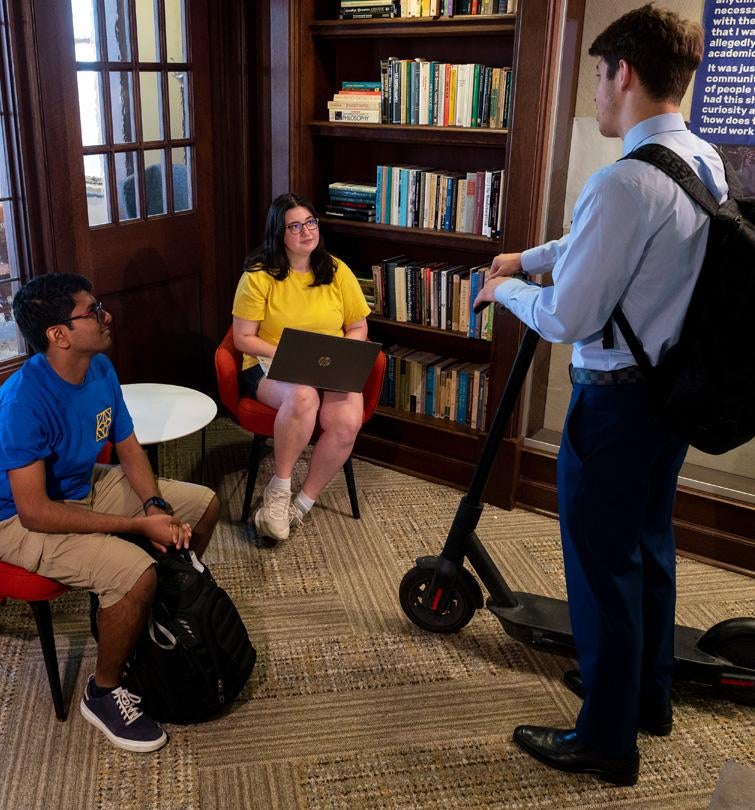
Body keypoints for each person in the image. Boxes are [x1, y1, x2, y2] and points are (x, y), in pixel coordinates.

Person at [474, 5, 725, 787]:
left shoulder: (622, 181)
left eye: (595, 74)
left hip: (613, 403)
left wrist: (501, 287)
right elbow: (594, 246)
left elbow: (567, 315)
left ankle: (606, 741)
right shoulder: (700, 160)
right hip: (667, 394)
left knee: (598, 566)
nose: (593, 91)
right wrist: (531, 252)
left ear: (621, 72)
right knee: (647, 548)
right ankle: (644, 696)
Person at [0, 273, 221, 753]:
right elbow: (35, 511)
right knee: (136, 572)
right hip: (14, 519)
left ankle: (142, 618)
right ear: (59, 335)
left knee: (203, 506)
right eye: (92, 311)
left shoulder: (98, 368)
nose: (107, 316)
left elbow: (127, 444)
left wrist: (155, 505)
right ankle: (102, 692)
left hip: (81, 487)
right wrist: (138, 526)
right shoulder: (23, 401)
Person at [232, 193, 371, 544]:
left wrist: (346, 352)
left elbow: (358, 326)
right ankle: (278, 492)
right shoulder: (258, 276)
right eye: (294, 226)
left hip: (329, 364)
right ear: (279, 233)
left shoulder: (336, 270)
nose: (306, 232)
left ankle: (301, 505)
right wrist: (290, 353)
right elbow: (243, 338)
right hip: (269, 365)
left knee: (346, 421)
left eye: (310, 223)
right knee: (304, 396)